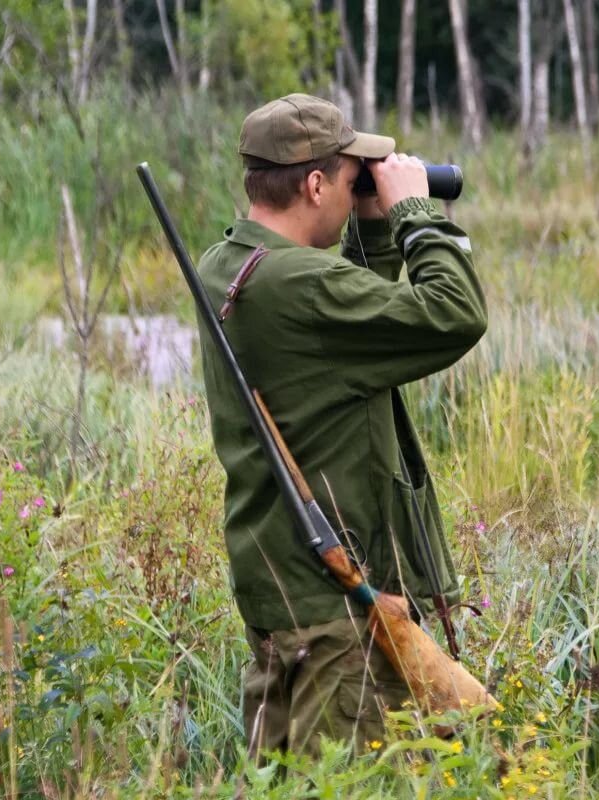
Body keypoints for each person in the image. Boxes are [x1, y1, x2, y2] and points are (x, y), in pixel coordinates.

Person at [194, 93, 487, 757]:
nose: (362, 184)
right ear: (317, 182)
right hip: (335, 617)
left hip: (280, 594)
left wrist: (372, 231)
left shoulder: (227, 266)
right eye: (351, 173)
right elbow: (455, 312)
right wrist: (414, 213)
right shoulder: (299, 284)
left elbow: (347, 334)